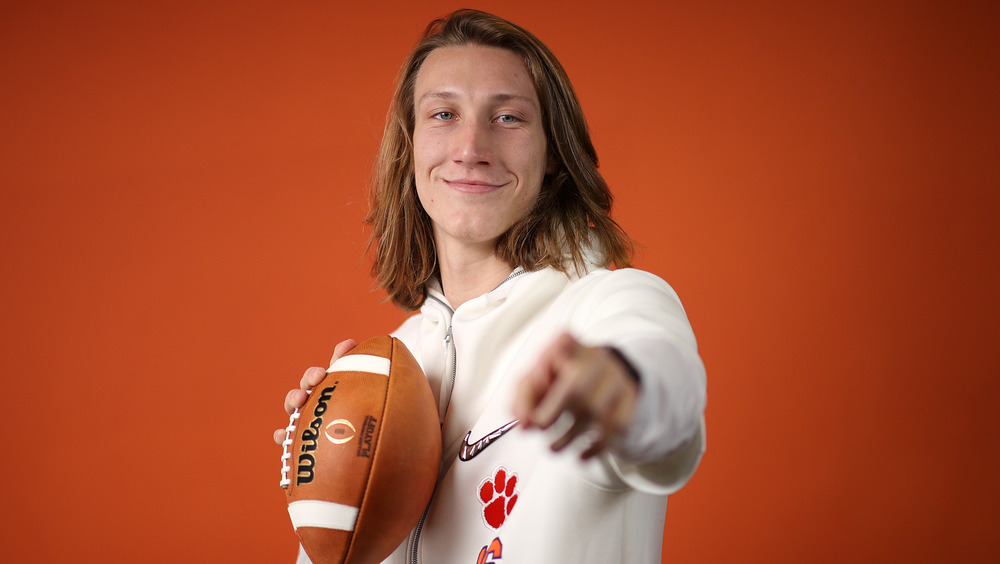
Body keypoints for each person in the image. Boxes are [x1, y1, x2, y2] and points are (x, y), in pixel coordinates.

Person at [274, 9, 707, 563]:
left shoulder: (610, 307)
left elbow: (668, 408)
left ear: (553, 154)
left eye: (507, 117)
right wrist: (323, 487)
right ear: (409, 151)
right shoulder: (393, 364)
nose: (471, 146)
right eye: (444, 113)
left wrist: (624, 393)